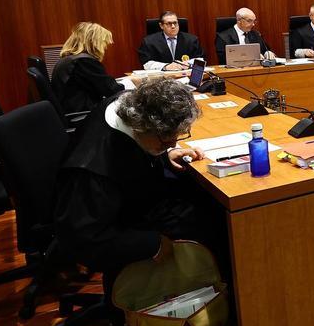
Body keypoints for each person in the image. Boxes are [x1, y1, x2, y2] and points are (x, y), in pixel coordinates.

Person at [54, 78, 215, 288]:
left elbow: (136, 155)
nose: (173, 143)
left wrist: (165, 155)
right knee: (211, 217)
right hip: (115, 229)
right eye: (166, 140)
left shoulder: (125, 105)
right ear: (141, 128)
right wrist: (153, 244)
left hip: (133, 197)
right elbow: (85, 241)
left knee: (200, 195)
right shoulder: (92, 171)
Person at [52, 22, 144, 115]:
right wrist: (133, 83)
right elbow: (112, 90)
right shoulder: (84, 61)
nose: (105, 47)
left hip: (70, 108)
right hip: (83, 112)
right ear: (94, 42)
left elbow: (101, 84)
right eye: (104, 43)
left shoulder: (70, 59)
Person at [137, 10, 205, 70]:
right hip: (161, 80)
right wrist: (166, 66)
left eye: (175, 23)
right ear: (161, 26)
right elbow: (146, 63)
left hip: (185, 76)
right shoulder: (149, 42)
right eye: (169, 24)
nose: (173, 26)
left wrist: (189, 64)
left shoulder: (192, 40)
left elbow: (200, 59)